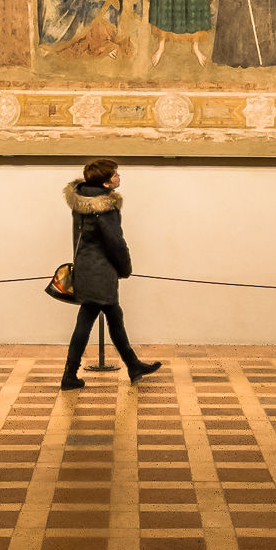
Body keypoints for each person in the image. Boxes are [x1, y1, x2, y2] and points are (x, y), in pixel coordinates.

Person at [61, 159, 163, 391]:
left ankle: (131, 364)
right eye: (115, 174)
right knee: (96, 320)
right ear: (106, 183)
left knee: (108, 317)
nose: (119, 177)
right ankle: (70, 375)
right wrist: (125, 267)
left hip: (86, 267)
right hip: (101, 271)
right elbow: (115, 242)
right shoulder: (105, 207)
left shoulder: (81, 201)